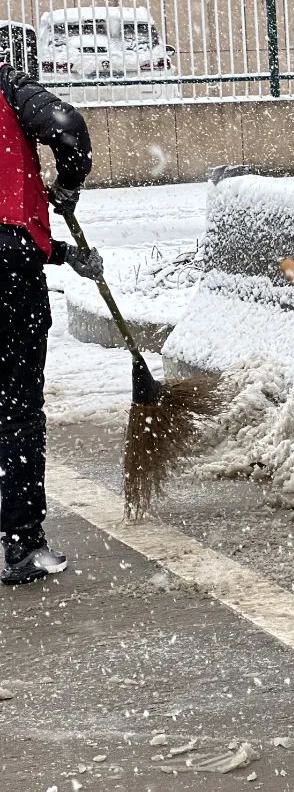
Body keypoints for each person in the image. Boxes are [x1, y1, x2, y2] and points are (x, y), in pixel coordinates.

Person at [0, 61, 100, 586]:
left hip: (15, 254)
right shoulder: (8, 86)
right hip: (9, 270)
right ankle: (22, 546)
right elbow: (67, 127)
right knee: (16, 408)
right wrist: (68, 183)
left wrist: (60, 252)